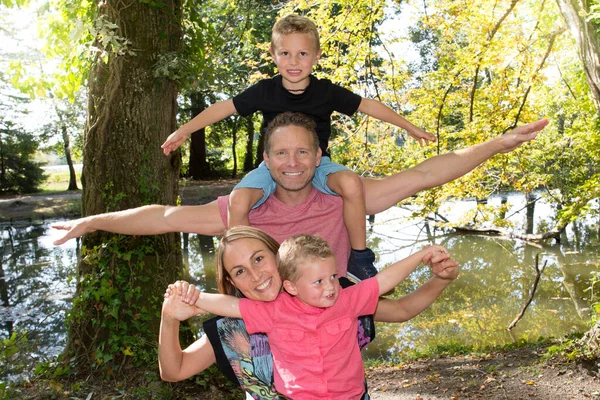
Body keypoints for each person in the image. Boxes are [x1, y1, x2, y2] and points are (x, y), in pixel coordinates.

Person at [51, 112, 548, 280]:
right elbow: (161, 216)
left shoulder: (343, 198)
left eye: (302, 153)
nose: (292, 163)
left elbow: (423, 174)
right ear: (265, 161)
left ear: (319, 158)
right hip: (275, 345)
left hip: (335, 336)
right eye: (281, 154)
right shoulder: (241, 210)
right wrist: (93, 221)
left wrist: (498, 143)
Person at [160, 14, 437, 280]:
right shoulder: (264, 91)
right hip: (273, 168)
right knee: (238, 201)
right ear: (273, 55)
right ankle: (240, 271)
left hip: (317, 165)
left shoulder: (326, 92)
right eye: (285, 54)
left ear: (316, 56)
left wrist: (408, 126)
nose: (294, 62)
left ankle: (360, 259)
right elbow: (223, 108)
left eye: (302, 54)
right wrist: (185, 130)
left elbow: (368, 105)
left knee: (352, 184)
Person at [159, 226, 459, 399]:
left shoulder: (329, 293)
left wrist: (440, 280)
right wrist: (170, 316)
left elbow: (404, 308)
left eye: (260, 258)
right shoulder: (230, 326)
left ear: (281, 258)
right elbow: (174, 371)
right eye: (240, 271)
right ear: (232, 281)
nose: (256, 275)